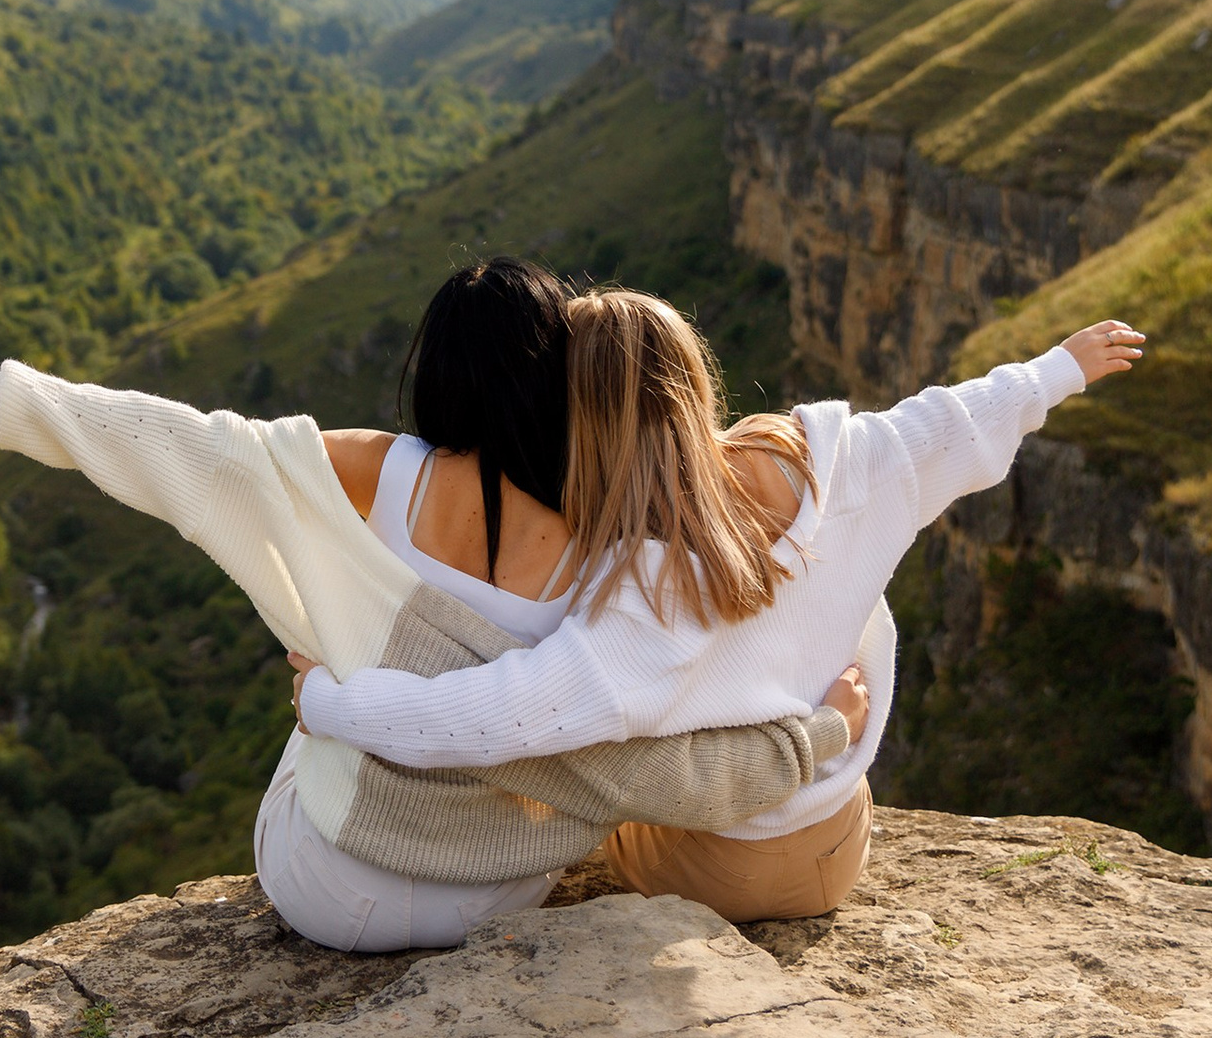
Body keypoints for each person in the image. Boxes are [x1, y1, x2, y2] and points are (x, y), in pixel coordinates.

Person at [0, 257, 867, 953]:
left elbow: (188, 443)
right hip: (497, 899)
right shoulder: (624, 539)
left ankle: (335, 697)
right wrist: (820, 732)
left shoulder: (381, 473)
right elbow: (645, 754)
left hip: (328, 894)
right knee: (558, 721)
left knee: (326, 687)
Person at [294, 290, 1146, 922]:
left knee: (587, 804)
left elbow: (491, 719)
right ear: (697, 376)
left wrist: (330, 699)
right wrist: (1062, 366)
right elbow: (957, 420)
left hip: (725, 867)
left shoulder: (637, 590)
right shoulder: (841, 460)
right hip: (839, 840)